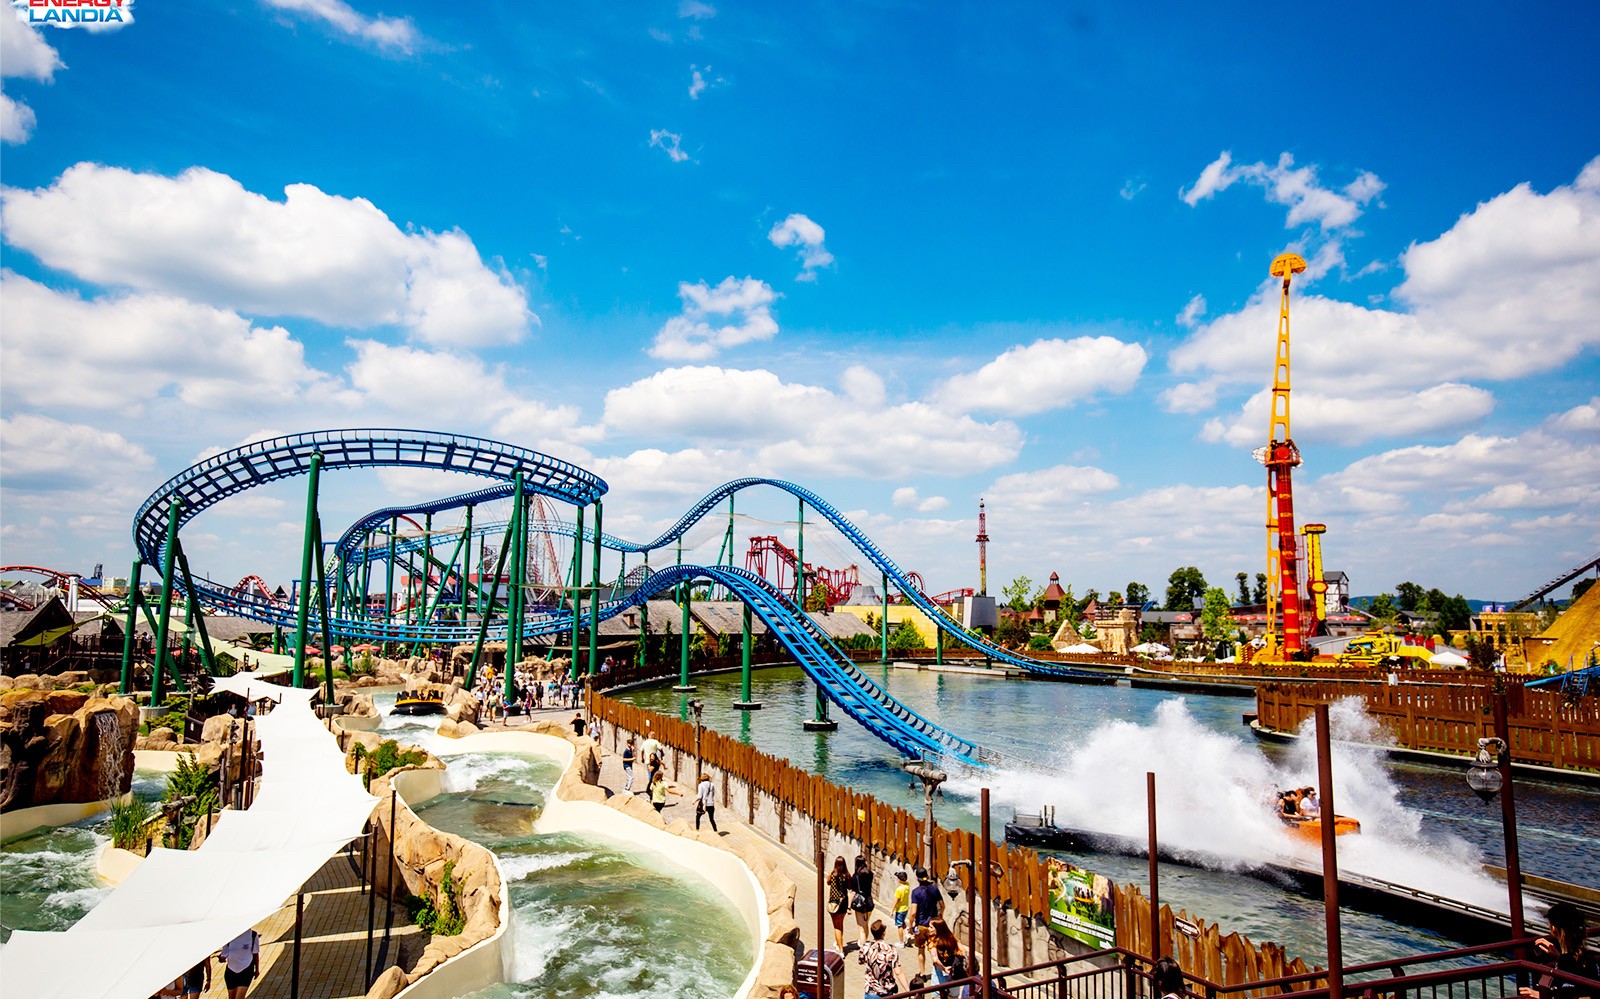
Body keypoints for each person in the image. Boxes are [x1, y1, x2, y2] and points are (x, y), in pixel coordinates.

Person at [1520, 903, 1598, 999]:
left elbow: (1574, 994)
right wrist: (1558, 956)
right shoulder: (1586, 957)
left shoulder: (1567, 962)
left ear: (1554, 928)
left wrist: (1542, 995)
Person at [859, 917, 907, 999]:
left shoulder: (865, 947)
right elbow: (898, 972)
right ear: (883, 933)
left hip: (870, 990)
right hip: (886, 991)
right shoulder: (890, 950)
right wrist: (908, 990)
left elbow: (861, 961)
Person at [908, 866, 944, 975]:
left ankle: (923, 973)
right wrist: (940, 916)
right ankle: (939, 971)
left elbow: (913, 912)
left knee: (921, 949)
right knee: (935, 948)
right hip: (933, 924)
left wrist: (910, 925)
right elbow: (942, 905)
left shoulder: (916, 892)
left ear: (916, 878)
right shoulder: (934, 889)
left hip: (920, 925)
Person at [929, 917, 968, 998]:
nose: (928, 929)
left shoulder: (933, 942)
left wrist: (944, 969)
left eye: (931, 927)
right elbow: (964, 951)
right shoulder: (952, 938)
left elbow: (935, 960)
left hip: (940, 972)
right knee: (953, 996)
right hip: (954, 971)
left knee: (938, 995)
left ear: (937, 929)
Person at [219, 927, 260, 999]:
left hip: (246, 970)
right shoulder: (229, 936)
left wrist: (257, 969)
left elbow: (255, 953)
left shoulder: (252, 935)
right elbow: (224, 955)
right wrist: (221, 959)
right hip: (231, 971)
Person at [827, 855, 850, 952]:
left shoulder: (831, 875)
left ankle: (840, 949)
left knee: (836, 926)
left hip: (834, 902)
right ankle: (838, 942)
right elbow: (849, 886)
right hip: (844, 902)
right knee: (840, 924)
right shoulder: (847, 875)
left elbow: (828, 883)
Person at [851, 855, 875, 945]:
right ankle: (864, 943)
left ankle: (863, 948)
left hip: (860, 903)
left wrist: (849, 906)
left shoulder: (856, 876)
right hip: (869, 901)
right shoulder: (870, 874)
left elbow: (853, 892)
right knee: (866, 925)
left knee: (861, 929)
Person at [892, 870, 912, 945]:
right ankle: (907, 934)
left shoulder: (899, 890)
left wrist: (892, 910)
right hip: (906, 908)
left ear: (899, 879)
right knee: (903, 922)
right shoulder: (907, 885)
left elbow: (896, 901)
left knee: (899, 925)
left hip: (900, 909)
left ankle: (901, 941)